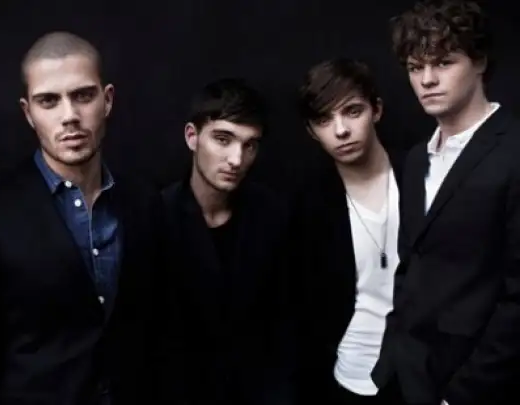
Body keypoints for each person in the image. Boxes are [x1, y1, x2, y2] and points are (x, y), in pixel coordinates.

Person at [0, 31, 166, 405]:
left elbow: (158, 332)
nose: (69, 116)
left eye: (83, 96)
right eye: (48, 101)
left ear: (107, 100)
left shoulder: (144, 201)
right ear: (28, 113)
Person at [372, 1, 520, 404]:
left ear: (479, 61)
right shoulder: (416, 158)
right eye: (415, 67)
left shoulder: (513, 151)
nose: (427, 80)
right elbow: (412, 262)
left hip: (473, 383)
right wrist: (391, 356)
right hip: (405, 374)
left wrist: (462, 394)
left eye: (443, 62)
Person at [158, 78, 295, 405]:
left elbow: (286, 329)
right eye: (223, 139)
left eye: (250, 145)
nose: (236, 159)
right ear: (192, 137)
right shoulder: (155, 218)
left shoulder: (273, 216)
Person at [293, 58, 406, 405]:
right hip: (349, 379)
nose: (340, 130)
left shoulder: (423, 175)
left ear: (377, 110)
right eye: (324, 120)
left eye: (352, 111)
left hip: (426, 374)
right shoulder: (310, 205)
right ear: (312, 131)